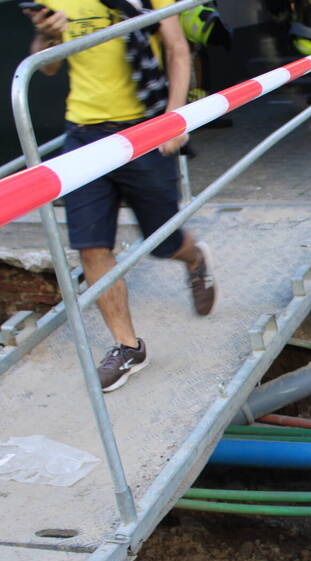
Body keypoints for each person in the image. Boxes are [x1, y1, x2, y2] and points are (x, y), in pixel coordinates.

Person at [26, 0, 216, 392]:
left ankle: (195, 258)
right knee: (91, 247)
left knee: (164, 243)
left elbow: (177, 48)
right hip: (83, 134)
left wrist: (174, 117)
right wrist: (47, 36)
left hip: (144, 128)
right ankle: (128, 347)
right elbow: (47, 66)